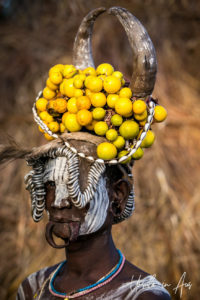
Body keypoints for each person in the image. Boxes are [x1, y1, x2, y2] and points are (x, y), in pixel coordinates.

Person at [0, 6, 171, 299]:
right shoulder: (31, 289)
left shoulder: (142, 295)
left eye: (76, 185)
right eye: (52, 185)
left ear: (117, 194)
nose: (59, 202)